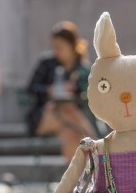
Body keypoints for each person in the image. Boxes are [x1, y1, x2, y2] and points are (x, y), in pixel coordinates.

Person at [25, 21, 96, 162]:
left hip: (69, 119)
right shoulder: (47, 63)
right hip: (44, 116)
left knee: (71, 133)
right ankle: (97, 151)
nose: (57, 51)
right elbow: (31, 88)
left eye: (61, 47)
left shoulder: (82, 69)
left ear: (72, 46)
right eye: (54, 47)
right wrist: (48, 91)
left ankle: (73, 180)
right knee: (70, 115)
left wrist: (73, 89)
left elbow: (88, 96)